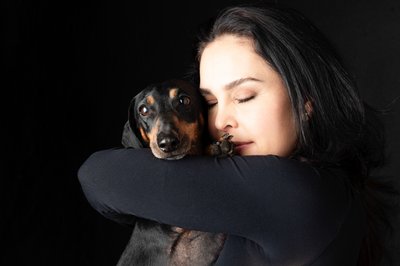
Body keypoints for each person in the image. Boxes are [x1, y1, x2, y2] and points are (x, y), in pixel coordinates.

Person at [78, 4, 397, 265]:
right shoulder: (332, 189)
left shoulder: (293, 190)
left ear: (305, 100)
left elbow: (98, 176)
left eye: (244, 96)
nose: (222, 121)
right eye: (211, 103)